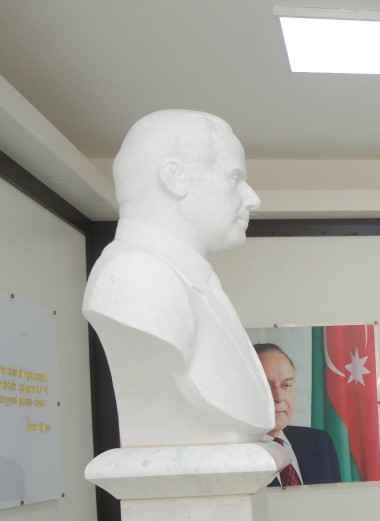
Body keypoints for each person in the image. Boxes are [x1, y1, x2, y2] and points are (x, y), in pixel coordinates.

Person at [83, 109, 273, 446]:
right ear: (175, 178)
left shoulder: (194, 281)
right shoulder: (136, 278)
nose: (252, 198)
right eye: (234, 178)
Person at [254, 343, 340, 486]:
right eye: (266, 386)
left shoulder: (320, 443)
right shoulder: (234, 455)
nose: (279, 397)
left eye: (286, 385)